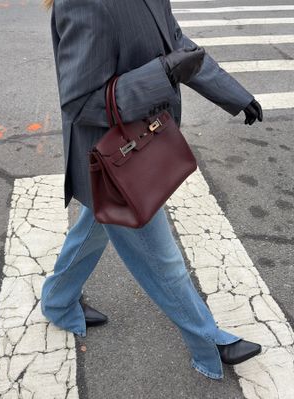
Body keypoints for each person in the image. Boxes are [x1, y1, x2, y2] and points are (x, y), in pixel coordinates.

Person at [40, 0, 263, 380]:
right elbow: (78, 101)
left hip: (135, 143)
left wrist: (231, 92)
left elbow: (176, 42)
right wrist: (159, 74)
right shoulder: (84, 3)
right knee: (163, 260)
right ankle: (208, 342)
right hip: (113, 160)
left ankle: (58, 302)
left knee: (93, 227)